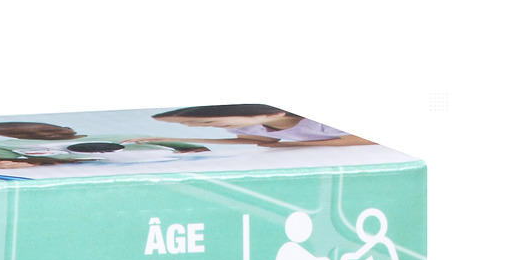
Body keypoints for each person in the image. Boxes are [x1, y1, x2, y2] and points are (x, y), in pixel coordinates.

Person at [152, 105, 372, 148]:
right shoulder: (249, 127)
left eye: (208, 121)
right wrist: (169, 141)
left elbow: (365, 140)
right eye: (188, 124)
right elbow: (259, 140)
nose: (215, 125)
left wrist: (288, 146)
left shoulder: (324, 125)